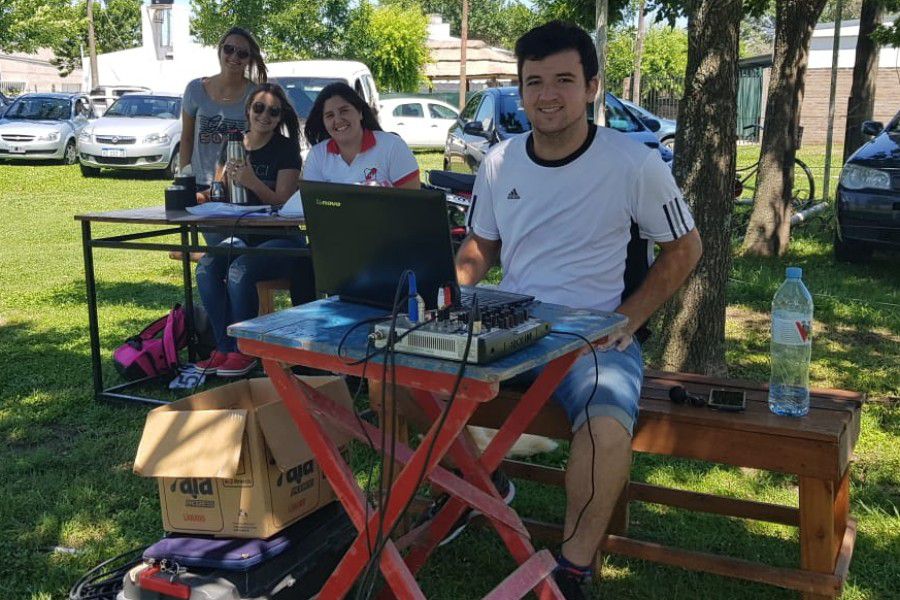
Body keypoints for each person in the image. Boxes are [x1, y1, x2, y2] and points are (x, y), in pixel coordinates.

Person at [453, 21, 702, 599]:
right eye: (534, 81)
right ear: (519, 90)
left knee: (606, 417)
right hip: (508, 328)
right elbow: (480, 246)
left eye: (563, 79)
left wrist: (630, 317)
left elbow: (685, 248)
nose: (547, 94)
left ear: (592, 86)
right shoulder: (499, 161)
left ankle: (572, 568)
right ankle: (475, 485)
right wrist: (452, 291)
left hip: (595, 337)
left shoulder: (633, 162)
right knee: (405, 382)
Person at [193, 83, 305, 377]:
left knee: (239, 269)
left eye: (273, 111)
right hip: (241, 235)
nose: (265, 115)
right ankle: (223, 347)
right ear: (248, 110)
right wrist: (201, 197)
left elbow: (283, 203)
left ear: (280, 118)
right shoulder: (232, 145)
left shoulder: (286, 149)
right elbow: (219, 189)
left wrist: (252, 181)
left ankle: (245, 351)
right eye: (259, 108)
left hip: (283, 240)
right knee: (206, 267)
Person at [302, 82, 420, 189]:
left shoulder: (393, 146)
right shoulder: (317, 156)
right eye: (329, 115)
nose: (337, 120)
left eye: (344, 111)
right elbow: (314, 204)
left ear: (360, 113)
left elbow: (412, 204)